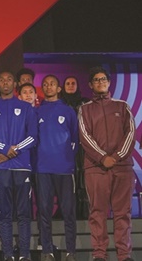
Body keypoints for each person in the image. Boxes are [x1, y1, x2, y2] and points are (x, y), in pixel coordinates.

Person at [78, 67, 136, 261]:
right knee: (98, 213)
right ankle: (100, 254)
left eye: (103, 79)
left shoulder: (122, 106)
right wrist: (103, 158)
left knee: (123, 213)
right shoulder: (85, 109)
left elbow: (130, 134)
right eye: (96, 79)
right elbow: (85, 137)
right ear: (90, 85)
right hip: (96, 168)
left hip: (122, 168)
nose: (100, 82)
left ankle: (124, 254)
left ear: (109, 83)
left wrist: (117, 157)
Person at [0, 71, 37, 261]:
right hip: (0, 169)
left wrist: (12, 151)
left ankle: (24, 254)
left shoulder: (26, 107)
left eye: (9, 79)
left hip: (22, 167)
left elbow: (33, 137)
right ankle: (8, 254)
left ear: (15, 83)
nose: (5, 82)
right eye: (2, 80)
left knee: (24, 215)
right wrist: (7, 148)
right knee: (4, 215)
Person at [36, 75, 78, 261]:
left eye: (52, 83)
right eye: (45, 84)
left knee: (68, 210)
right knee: (44, 210)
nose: (48, 86)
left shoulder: (68, 111)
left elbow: (75, 139)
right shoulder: (36, 112)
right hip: (42, 169)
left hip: (64, 168)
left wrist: (68, 160)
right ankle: (47, 250)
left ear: (59, 88)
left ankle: (71, 251)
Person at [59, 76, 90, 219]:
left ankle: (84, 212)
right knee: (65, 182)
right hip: (62, 149)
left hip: (83, 149)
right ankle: (64, 211)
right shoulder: (59, 104)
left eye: (73, 83)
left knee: (82, 181)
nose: (70, 85)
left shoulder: (86, 104)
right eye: (67, 83)